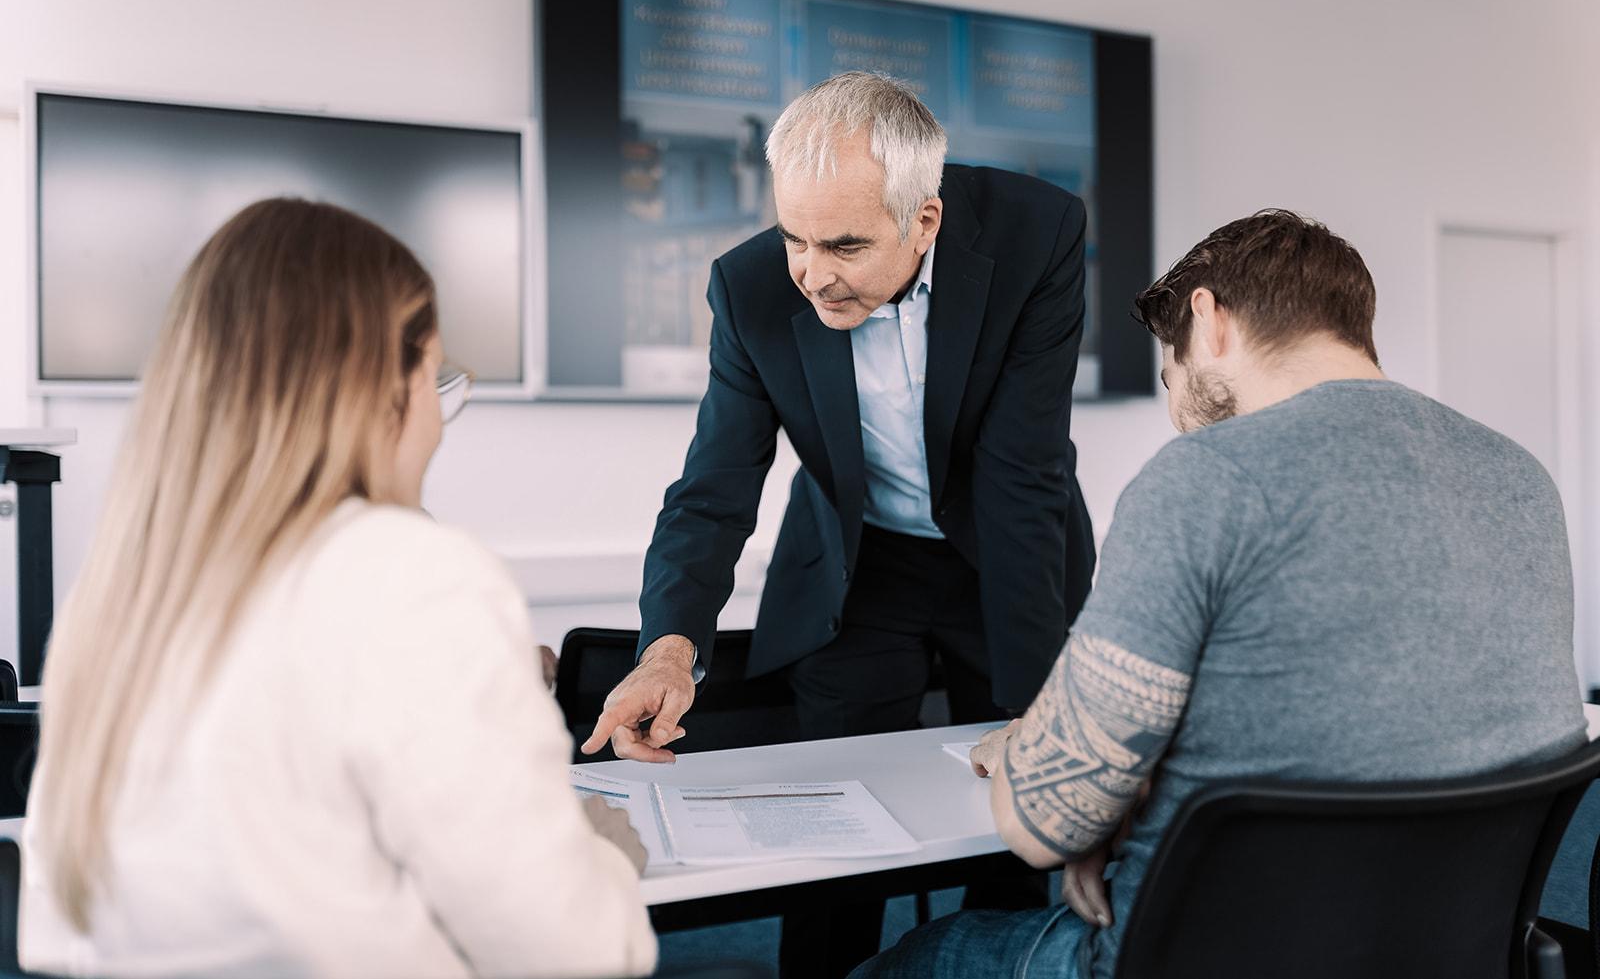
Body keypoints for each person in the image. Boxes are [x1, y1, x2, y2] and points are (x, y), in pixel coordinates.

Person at [849, 209, 1589, 979]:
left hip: (1198, 952)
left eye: (1171, 377)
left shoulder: (1210, 477)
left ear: (1208, 317)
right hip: (1447, 950)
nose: (1178, 415)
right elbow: (1394, 723)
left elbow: (1044, 825)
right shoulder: (1520, 478)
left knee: (899, 961)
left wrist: (1033, 753)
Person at [20, 199, 657, 978]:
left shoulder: (116, 593)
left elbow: (53, 932)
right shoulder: (412, 573)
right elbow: (574, 951)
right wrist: (610, 864)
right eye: (435, 377)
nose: (438, 420)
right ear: (375, 387)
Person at [584, 71, 1097, 974]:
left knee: (1014, 826)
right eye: (795, 237)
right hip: (857, 570)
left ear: (924, 220)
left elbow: (1023, 476)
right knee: (829, 827)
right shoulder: (748, 288)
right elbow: (714, 487)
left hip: (1009, 555)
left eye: (847, 245)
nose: (813, 274)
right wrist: (667, 646)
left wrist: (1032, 707)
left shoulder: (1037, 234)